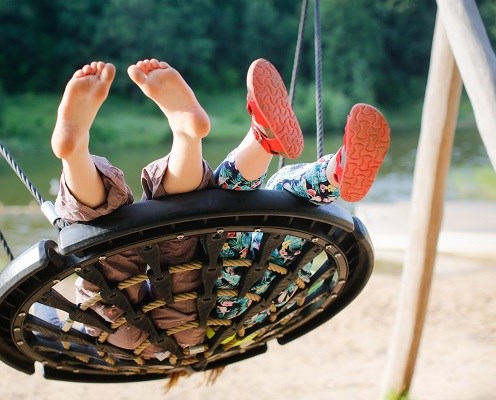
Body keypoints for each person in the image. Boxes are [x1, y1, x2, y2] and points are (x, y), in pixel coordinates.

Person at [37, 58, 390, 363]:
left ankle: (324, 169)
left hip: (219, 297)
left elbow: (50, 335)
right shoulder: (228, 338)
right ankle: (111, 150)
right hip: (194, 310)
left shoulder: (248, 324)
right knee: (141, 254)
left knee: (249, 201)